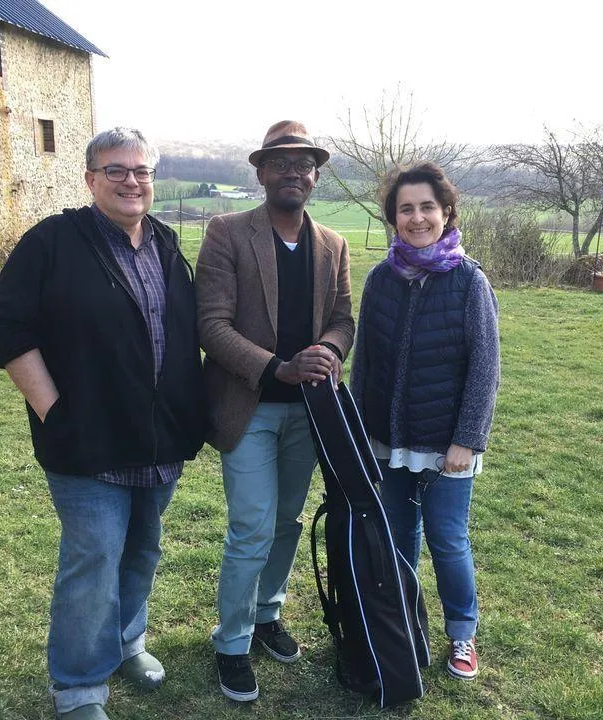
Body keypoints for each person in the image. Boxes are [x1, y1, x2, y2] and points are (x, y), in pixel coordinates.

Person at [0, 127, 205, 720]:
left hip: (157, 439)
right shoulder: (53, 242)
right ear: (90, 179)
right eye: (116, 171)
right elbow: (3, 327)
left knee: (142, 550)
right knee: (95, 559)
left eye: (142, 171)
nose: (132, 181)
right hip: (85, 441)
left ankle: (126, 642)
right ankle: (79, 688)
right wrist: (53, 409)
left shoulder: (164, 242)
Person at [195, 120, 354, 702]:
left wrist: (328, 351)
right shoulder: (227, 232)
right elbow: (211, 324)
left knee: (287, 522)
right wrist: (277, 367)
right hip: (251, 407)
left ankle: (267, 614)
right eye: (280, 163)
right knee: (252, 526)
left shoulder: (332, 244)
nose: (293, 173)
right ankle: (232, 642)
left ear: (315, 177)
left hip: (308, 413)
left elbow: (343, 319)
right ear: (261, 173)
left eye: (304, 164)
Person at [349, 162, 500, 681]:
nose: (417, 218)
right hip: (387, 443)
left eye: (427, 207)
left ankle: (462, 634)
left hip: (446, 445)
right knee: (396, 537)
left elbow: (485, 368)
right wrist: (359, 434)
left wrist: (467, 440)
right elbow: (365, 363)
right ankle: (403, 625)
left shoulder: (469, 281)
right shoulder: (380, 279)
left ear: (447, 212)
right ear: (393, 217)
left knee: (447, 539)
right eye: (406, 209)